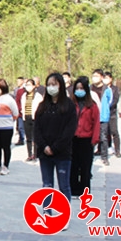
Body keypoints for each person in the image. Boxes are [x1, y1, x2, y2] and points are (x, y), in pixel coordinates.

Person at [34, 73, 77, 201]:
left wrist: (55, 147)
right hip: (44, 153)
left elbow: (69, 130)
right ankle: (47, 211)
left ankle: (65, 211)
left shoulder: (68, 106)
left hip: (62, 153)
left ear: (60, 85)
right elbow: (37, 129)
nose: (51, 87)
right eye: (49, 85)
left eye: (54, 84)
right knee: (47, 185)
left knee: (64, 186)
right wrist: (44, 146)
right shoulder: (42, 106)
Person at [70, 77, 100, 197]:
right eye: (77, 88)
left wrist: (95, 139)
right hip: (73, 139)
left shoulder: (92, 105)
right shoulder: (71, 104)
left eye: (81, 88)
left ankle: (84, 191)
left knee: (85, 167)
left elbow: (96, 123)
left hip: (87, 139)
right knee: (73, 165)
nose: (79, 91)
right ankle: (73, 189)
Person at [0, 79, 19, 175]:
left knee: (6, 147)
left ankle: (5, 166)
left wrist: (8, 120)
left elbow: (15, 113)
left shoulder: (9, 99)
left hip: (6, 127)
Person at [21, 79, 42, 161]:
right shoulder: (24, 96)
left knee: (35, 137)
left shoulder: (38, 96)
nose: (28, 87)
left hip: (35, 118)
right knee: (28, 137)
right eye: (27, 85)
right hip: (26, 117)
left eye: (29, 85)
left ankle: (35, 155)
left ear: (34, 86)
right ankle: (29, 154)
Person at [97, 70, 113, 166]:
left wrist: (104, 110)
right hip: (93, 117)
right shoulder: (90, 88)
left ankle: (104, 156)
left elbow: (110, 101)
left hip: (103, 116)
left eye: (97, 76)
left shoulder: (107, 89)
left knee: (103, 137)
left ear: (102, 77)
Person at [103, 72, 121, 158]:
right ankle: (107, 148)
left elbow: (115, 100)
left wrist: (107, 106)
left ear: (111, 79)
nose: (105, 80)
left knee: (114, 132)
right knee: (105, 132)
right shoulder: (102, 88)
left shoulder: (115, 89)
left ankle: (117, 150)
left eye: (107, 78)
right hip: (103, 113)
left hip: (112, 113)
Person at [13, 76, 26, 145]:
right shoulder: (17, 90)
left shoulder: (24, 90)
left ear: (22, 81)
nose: (18, 82)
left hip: (23, 110)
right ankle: (21, 139)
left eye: (19, 81)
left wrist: (21, 108)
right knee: (20, 126)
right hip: (18, 111)